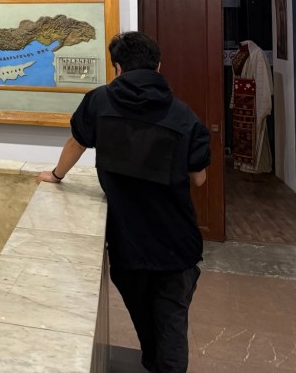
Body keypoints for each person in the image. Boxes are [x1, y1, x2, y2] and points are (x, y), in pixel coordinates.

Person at [39, 31, 211, 373]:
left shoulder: (99, 101)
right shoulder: (183, 115)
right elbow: (199, 178)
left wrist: (56, 175)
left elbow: (77, 142)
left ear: (117, 67)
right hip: (176, 242)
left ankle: (152, 361)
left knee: (142, 314)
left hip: (127, 242)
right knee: (171, 322)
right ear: (158, 66)